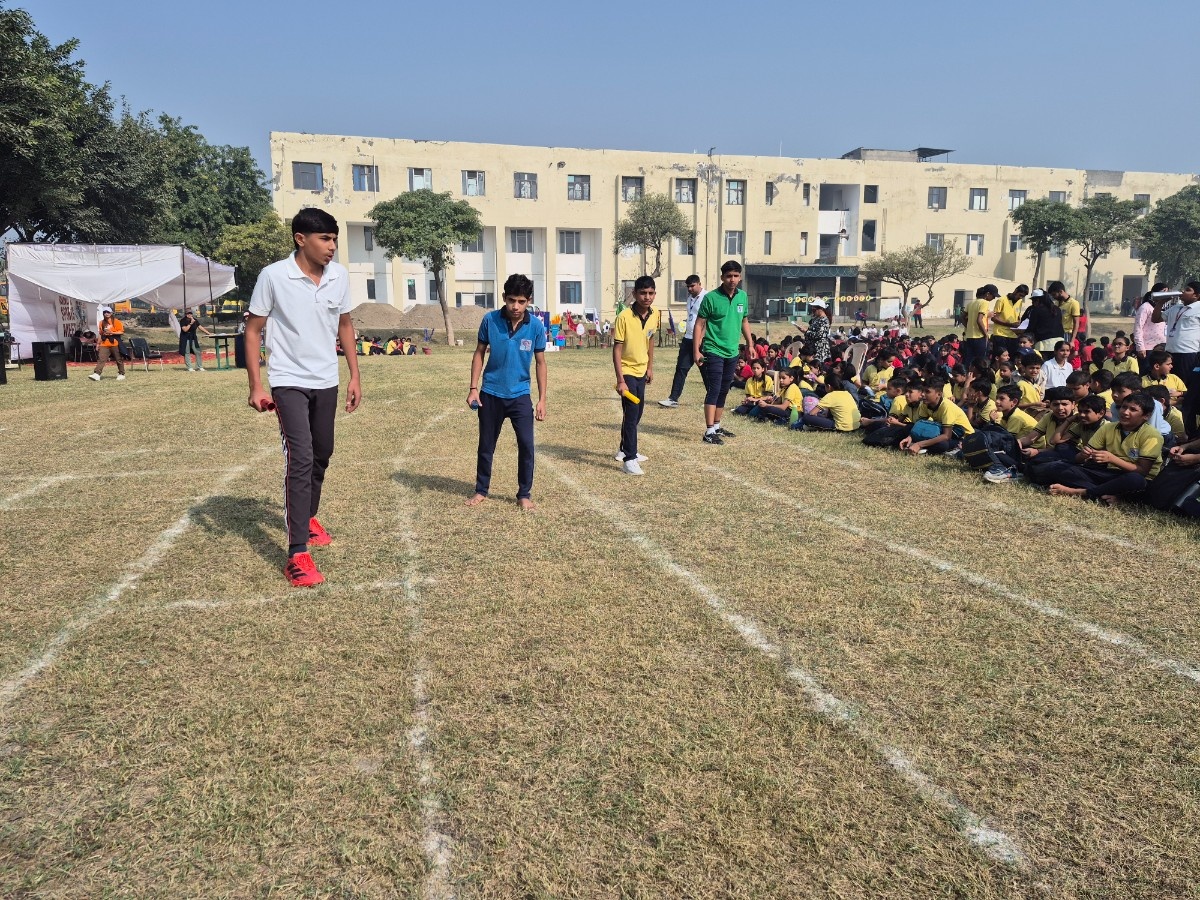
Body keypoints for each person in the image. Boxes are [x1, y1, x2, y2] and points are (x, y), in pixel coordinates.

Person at [244, 208, 362, 588]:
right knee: (301, 456)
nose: (332, 247)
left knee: (323, 452)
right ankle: (297, 554)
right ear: (300, 239)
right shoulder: (273, 276)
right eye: (325, 239)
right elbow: (253, 330)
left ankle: (308, 518)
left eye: (334, 239)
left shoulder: (339, 276)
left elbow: (345, 324)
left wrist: (354, 375)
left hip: (326, 379)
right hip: (288, 380)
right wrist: (256, 386)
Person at [467, 274, 547, 509]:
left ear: (529, 301)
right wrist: (473, 388)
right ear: (504, 297)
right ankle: (481, 490)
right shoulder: (489, 320)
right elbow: (479, 353)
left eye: (521, 301)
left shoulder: (536, 326)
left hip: (520, 396)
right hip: (490, 393)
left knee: (526, 445)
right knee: (486, 445)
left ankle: (524, 494)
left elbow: (540, 362)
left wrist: (542, 399)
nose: (516, 306)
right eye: (511, 300)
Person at [1039, 393, 1163, 504]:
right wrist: (1082, 455)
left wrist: (1112, 459)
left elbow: (1142, 471)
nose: (1125, 412)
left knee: (1135, 480)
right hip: (1108, 473)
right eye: (1124, 407)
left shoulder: (1151, 435)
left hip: (1133, 477)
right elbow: (1077, 459)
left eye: (1133, 409)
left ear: (1146, 416)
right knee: (1057, 468)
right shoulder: (1109, 428)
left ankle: (1079, 492)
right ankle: (1105, 492)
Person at [694, 261, 754, 445]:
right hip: (713, 349)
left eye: (735, 276)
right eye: (728, 276)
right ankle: (709, 431)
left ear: (740, 277)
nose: (732, 279)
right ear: (722, 277)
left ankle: (717, 426)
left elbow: (744, 321)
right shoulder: (711, 298)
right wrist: (696, 350)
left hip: (732, 351)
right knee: (714, 388)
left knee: (724, 389)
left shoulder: (742, 296)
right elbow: (699, 324)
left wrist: (750, 344)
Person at [613, 275, 659, 475]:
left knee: (638, 412)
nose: (647, 297)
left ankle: (624, 449)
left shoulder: (655, 315)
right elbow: (617, 349)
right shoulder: (623, 317)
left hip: (641, 370)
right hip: (627, 371)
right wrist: (620, 380)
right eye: (643, 293)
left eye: (650, 293)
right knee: (631, 413)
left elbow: (650, 341)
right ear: (634, 294)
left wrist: (650, 367)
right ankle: (629, 459)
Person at [1152, 282, 1200, 437]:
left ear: (1196, 295)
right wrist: (1160, 303)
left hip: (1189, 353)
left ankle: (1187, 428)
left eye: (1188, 290)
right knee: (1169, 384)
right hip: (1171, 352)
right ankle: (1169, 420)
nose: (1182, 292)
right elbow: (1155, 318)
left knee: (1186, 390)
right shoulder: (1175, 308)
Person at [659, 275, 705, 407]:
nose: (690, 289)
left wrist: (701, 338)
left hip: (702, 340)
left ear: (699, 284)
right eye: (688, 287)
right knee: (681, 368)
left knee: (705, 370)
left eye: (692, 286)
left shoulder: (707, 297)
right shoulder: (690, 298)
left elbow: (707, 321)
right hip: (688, 338)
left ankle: (712, 400)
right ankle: (673, 399)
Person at [900, 376, 974, 455]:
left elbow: (947, 436)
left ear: (939, 394)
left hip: (962, 437)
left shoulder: (947, 407)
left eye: (927, 392)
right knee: (908, 429)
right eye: (923, 391)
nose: (923, 394)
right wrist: (910, 437)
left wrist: (919, 444)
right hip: (941, 432)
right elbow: (919, 426)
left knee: (942, 444)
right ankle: (917, 446)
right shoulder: (925, 404)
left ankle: (923, 448)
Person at [961, 285, 996, 372]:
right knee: (981, 362)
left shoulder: (970, 303)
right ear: (987, 294)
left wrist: (968, 326)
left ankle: (968, 376)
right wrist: (986, 334)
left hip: (970, 336)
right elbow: (979, 320)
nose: (994, 298)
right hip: (980, 336)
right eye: (993, 296)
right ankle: (980, 377)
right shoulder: (984, 303)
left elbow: (962, 317)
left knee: (969, 361)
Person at [88, 308, 127, 381]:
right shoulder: (101, 322)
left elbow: (121, 332)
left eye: (108, 312)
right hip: (104, 343)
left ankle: (121, 373)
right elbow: (100, 334)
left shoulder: (116, 322)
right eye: (105, 312)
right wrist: (98, 344)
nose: (106, 313)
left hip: (114, 343)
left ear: (111, 313)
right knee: (101, 359)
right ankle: (97, 374)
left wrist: (112, 332)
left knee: (118, 359)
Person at [1133, 284, 1168, 362]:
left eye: (1167, 292)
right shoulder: (1145, 307)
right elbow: (1138, 327)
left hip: (1161, 347)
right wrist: (1140, 347)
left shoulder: (1163, 308)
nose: (1165, 294)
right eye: (1163, 291)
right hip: (1147, 347)